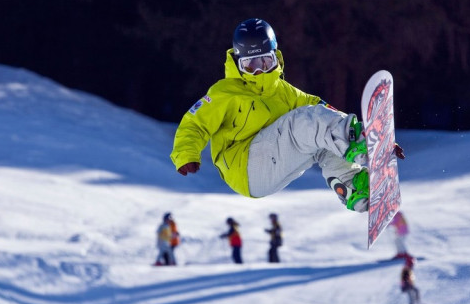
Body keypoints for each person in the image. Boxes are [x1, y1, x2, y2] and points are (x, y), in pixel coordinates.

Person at [171, 18, 404, 213]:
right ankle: (361, 146)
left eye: (265, 61)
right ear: (237, 64)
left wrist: (372, 136)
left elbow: (322, 112)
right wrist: (186, 154)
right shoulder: (224, 92)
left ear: (275, 57)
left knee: (324, 140)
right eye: (250, 65)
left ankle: (356, 188)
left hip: (269, 170)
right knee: (303, 123)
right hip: (243, 165)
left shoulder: (283, 92)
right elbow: (195, 123)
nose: (259, 70)